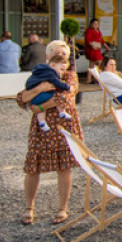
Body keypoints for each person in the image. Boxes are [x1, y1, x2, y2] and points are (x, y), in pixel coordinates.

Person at [16, 39, 83, 226]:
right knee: (32, 167)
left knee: (64, 167)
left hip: (63, 126)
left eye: (66, 54)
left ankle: (63, 207)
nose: (63, 56)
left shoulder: (70, 75)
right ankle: (29, 207)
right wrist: (41, 89)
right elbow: (20, 98)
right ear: (49, 55)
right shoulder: (40, 73)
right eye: (58, 52)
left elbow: (65, 98)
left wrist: (37, 106)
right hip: (43, 128)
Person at [24, 53, 73, 132]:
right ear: (53, 65)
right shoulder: (50, 73)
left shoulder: (42, 71)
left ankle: (42, 122)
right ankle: (62, 112)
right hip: (40, 95)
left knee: (41, 109)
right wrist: (68, 87)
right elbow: (58, 83)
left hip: (34, 97)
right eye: (61, 69)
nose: (62, 72)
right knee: (57, 96)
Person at [83, 18, 105, 83]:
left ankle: (89, 79)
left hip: (97, 49)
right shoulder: (89, 30)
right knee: (99, 62)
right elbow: (88, 40)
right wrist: (93, 45)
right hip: (92, 49)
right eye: (94, 24)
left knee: (92, 65)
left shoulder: (99, 31)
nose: (96, 25)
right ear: (91, 24)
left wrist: (106, 47)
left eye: (97, 24)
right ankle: (97, 78)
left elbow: (102, 40)